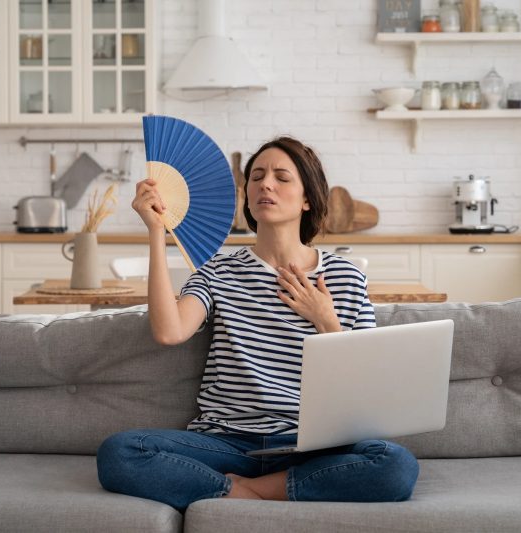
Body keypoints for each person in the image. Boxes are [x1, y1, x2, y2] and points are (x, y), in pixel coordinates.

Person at [96, 136, 419, 511]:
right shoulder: (218, 271)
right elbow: (170, 332)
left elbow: (368, 387)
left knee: (395, 465)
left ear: (307, 198)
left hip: (310, 445)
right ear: (247, 195)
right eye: (257, 177)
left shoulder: (345, 276)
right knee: (121, 452)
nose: (265, 184)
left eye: (282, 177)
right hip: (229, 443)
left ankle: (246, 492)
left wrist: (326, 320)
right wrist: (156, 231)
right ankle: (261, 490)